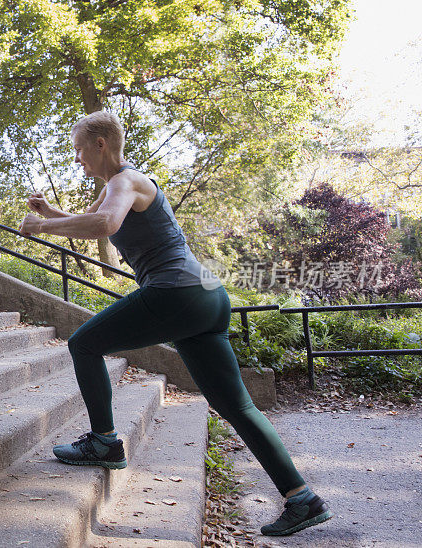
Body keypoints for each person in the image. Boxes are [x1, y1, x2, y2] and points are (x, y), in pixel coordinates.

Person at [18, 111, 332, 537]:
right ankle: (303, 499)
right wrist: (50, 213)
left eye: (79, 149)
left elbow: (107, 222)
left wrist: (42, 226)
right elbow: (96, 228)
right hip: (205, 296)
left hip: (177, 291)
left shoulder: (125, 181)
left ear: (101, 144)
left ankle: (105, 441)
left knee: (84, 344)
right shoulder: (118, 187)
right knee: (236, 406)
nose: (77, 160)